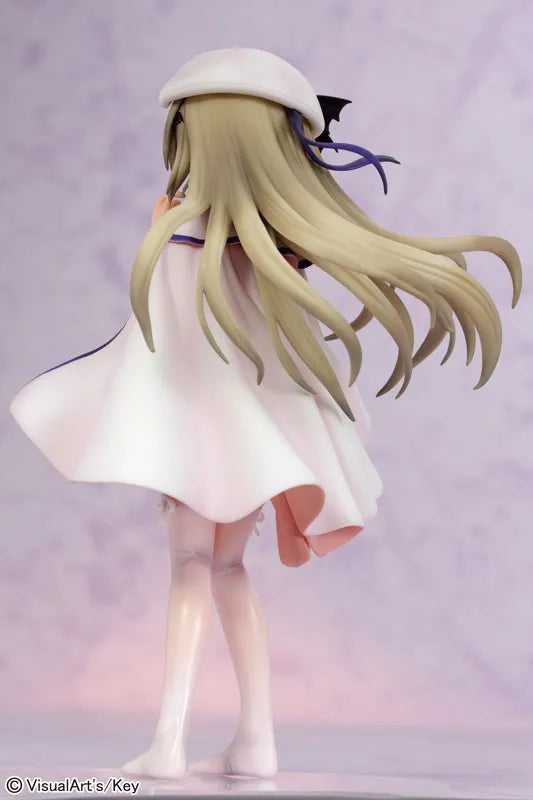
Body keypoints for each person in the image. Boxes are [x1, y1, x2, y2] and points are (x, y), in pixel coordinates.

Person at [9, 47, 521, 779]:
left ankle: (169, 742)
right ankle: (255, 741)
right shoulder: (274, 238)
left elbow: (164, 343)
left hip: (205, 428)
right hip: (250, 433)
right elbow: (273, 343)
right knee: (227, 568)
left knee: (194, 565)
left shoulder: (183, 226)